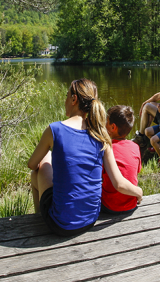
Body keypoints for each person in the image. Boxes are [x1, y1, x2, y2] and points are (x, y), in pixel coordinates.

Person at [28, 79, 143, 237]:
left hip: (61, 225)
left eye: (67, 96)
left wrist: (48, 165)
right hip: (90, 219)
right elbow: (119, 183)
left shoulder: (54, 129)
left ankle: (39, 220)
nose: (65, 100)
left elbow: (31, 164)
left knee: (38, 170)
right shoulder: (101, 135)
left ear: (74, 99)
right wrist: (139, 192)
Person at [101, 105, 141, 214]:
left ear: (113, 127)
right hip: (131, 205)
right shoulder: (135, 147)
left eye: (106, 122)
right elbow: (134, 172)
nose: (104, 125)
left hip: (109, 206)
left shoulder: (105, 148)